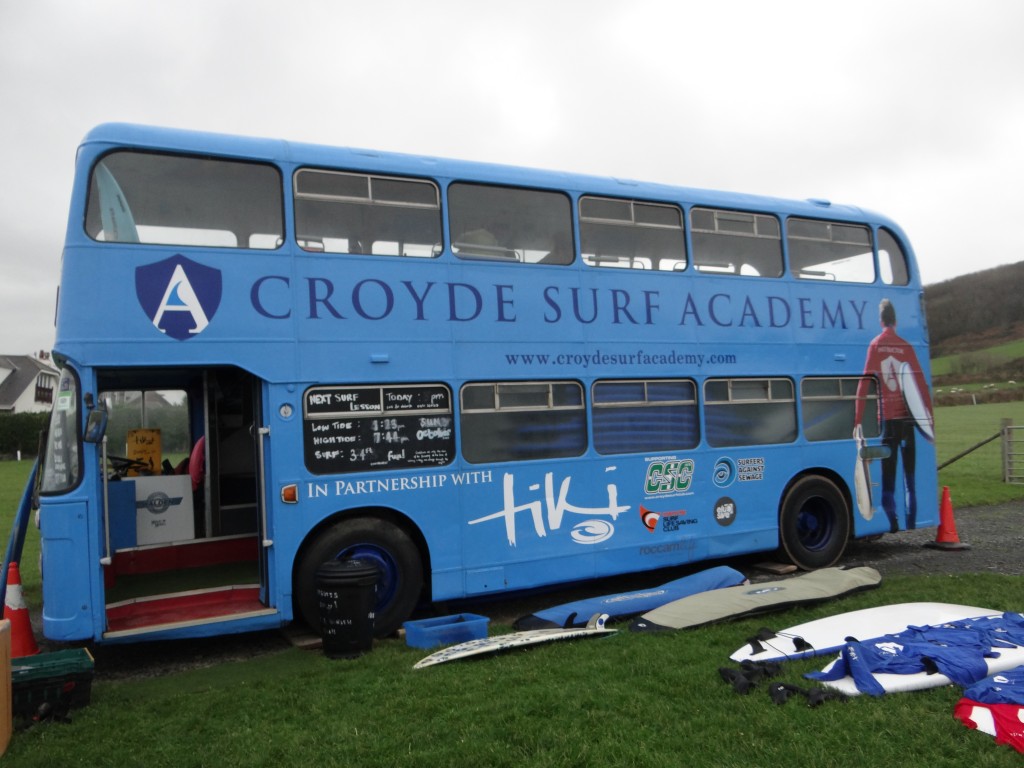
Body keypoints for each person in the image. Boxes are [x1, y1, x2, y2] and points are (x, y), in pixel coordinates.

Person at [854, 299, 933, 532]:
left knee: (888, 482)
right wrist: (929, 424)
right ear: (896, 321)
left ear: (881, 321)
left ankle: (894, 524)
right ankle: (911, 524)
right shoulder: (906, 346)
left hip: (887, 422)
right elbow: (921, 385)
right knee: (910, 481)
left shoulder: (876, 345)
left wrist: (857, 420)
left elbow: (864, 384)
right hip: (908, 422)